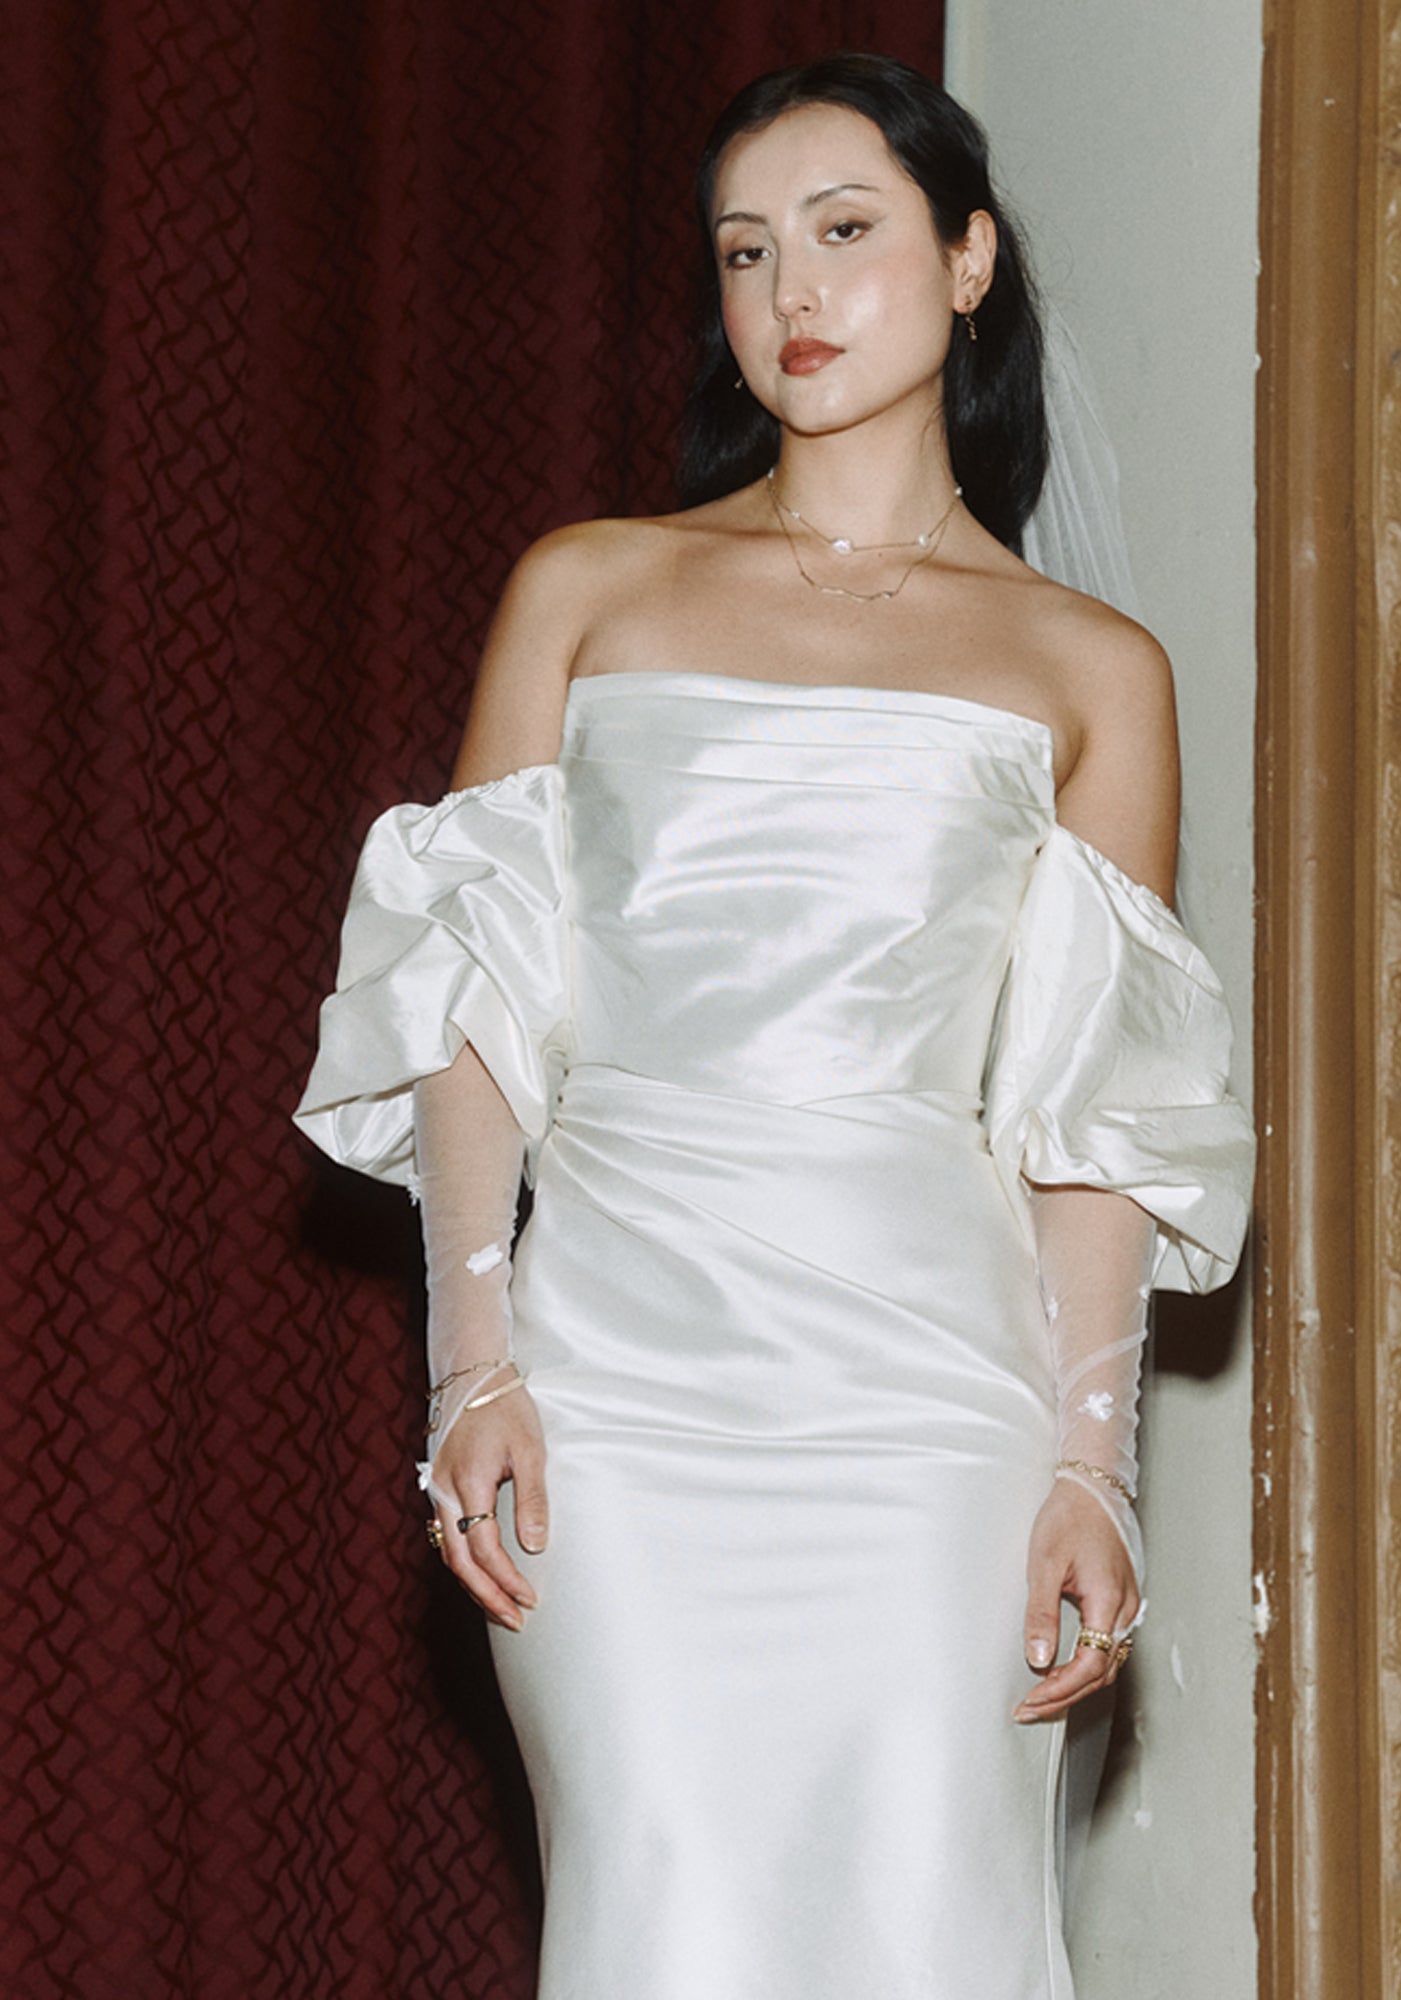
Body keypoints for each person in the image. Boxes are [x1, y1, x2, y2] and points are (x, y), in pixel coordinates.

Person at [296, 52, 1254, 2000]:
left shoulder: (1091, 670)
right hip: (617, 1400)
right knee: (663, 1911)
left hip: (932, 1415)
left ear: (969, 261)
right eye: (745, 252)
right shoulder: (591, 588)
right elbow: (468, 1008)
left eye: (843, 231)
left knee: (924, 1921)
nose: (790, 292)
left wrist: (1093, 1467)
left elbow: (1090, 1116)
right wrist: (472, 1367)